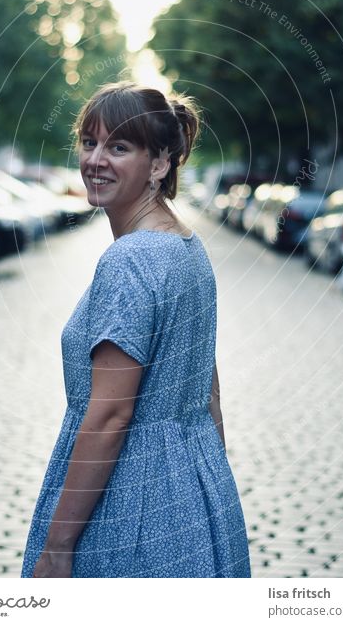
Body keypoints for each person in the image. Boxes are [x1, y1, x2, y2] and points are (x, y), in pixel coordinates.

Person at [20, 80, 251, 578]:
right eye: (89, 142)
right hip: (193, 483)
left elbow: (109, 417)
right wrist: (207, 485)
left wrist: (59, 546)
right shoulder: (186, 246)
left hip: (130, 500)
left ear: (160, 163)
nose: (95, 160)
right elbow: (207, 387)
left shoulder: (132, 260)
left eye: (119, 147)